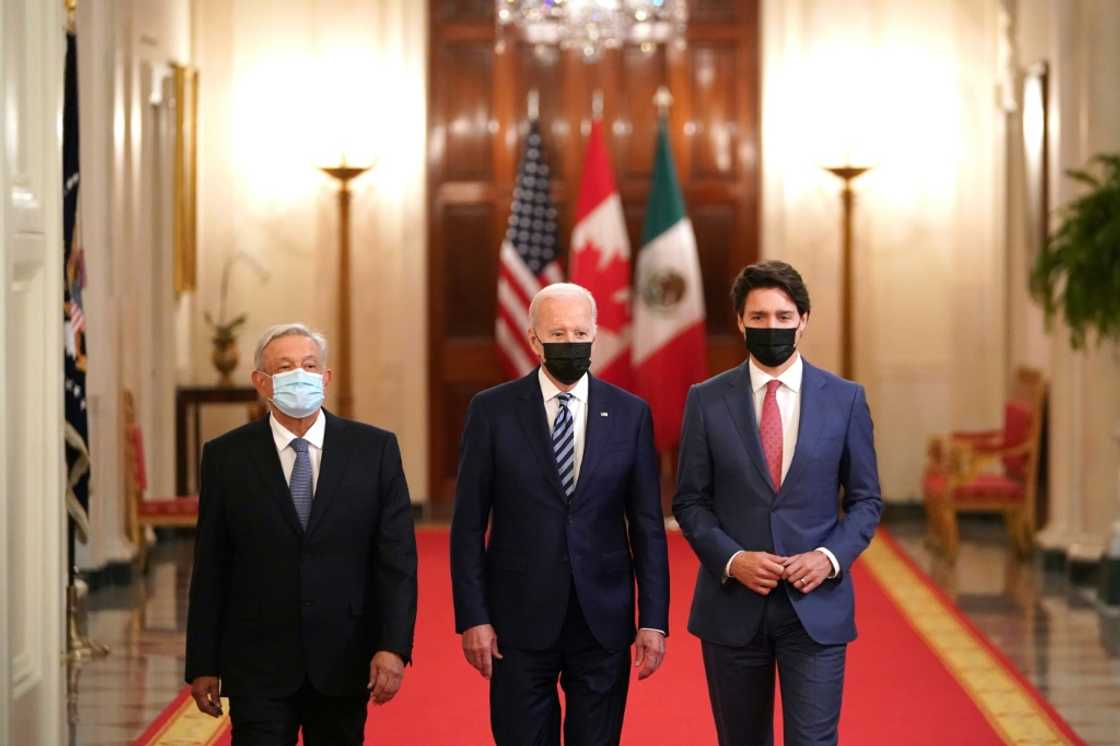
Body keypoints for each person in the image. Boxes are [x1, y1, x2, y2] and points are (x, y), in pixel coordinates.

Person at [450, 283, 670, 746]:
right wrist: (473, 616)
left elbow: (648, 526)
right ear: (533, 339)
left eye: (579, 332)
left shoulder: (631, 414)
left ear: (595, 336)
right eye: (557, 333)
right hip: (517, 618)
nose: (570, 343)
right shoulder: (491, 411)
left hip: (603, 619)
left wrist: (653, 619)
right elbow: (468, 525)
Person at [674, 261, 883, 746]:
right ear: (741, 322)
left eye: (784, 317)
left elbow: (866, 499)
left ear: (804, 320)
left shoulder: (846, 399)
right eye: (760, 317)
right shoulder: (706, 400)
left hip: (815, 606)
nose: (773, 327)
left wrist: (828, 559)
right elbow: (689, 501)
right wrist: (733, 559)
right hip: (732, 606)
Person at [185, 323, 418, 745]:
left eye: (310, 366)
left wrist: (394, 646)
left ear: (326, 378)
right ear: (261, 382)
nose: (300, 375)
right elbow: (212, 567)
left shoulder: (374, 450)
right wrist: (202, 662)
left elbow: (396, 561)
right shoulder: (225, 457)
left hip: (343, 659)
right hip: (257, 662)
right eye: (285, 366)